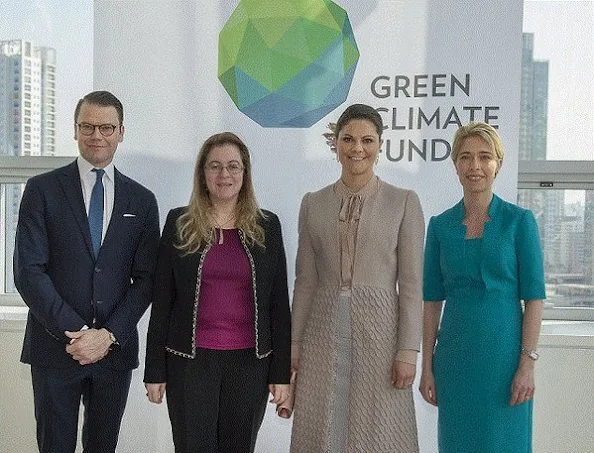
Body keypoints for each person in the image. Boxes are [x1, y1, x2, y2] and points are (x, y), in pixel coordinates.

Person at [13, 90, 160, 453]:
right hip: (55, 350)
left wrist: (107, 336)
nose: (97, 135)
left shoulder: (142, 200)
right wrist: (79, 334)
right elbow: (28, 271)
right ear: (75, 130)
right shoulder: (41, 190)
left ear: (121, 132)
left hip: (114, 353)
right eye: (88, 126)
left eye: (107, 127)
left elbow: (146, 280)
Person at [143, 132, 291, 453]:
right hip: (189, 364)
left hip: (250, 365)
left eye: (233, 166)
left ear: (245, 174)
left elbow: (279, 305)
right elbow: (162, 302)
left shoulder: (268, 226)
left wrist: (281, 374)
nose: (224, 175)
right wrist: (154, 370)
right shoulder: (179, 223)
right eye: (215, 166)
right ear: (202, 173)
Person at [289, 104, 425, 452]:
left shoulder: (404, 202)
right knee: (323, 427)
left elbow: (411, 285)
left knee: (378, 431)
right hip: (321, 329)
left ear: (380, 145)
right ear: (335, 144)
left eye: (367, 140)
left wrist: (408, 351)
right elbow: (305, 281)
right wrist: (294, 345)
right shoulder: (312, 203)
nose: (357, 148)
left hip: (381, 332)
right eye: (347, 139)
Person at [420, 122, 546, 453]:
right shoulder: (439, 226)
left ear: (498, 164)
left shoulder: (520, 222)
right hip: (454, 363)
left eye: (484, 157)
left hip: (506, 362)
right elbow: (431, 301)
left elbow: (534, 299)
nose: (475, 166)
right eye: (466, 157)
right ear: (455, 165)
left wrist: (527, 363)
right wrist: (427, 369)